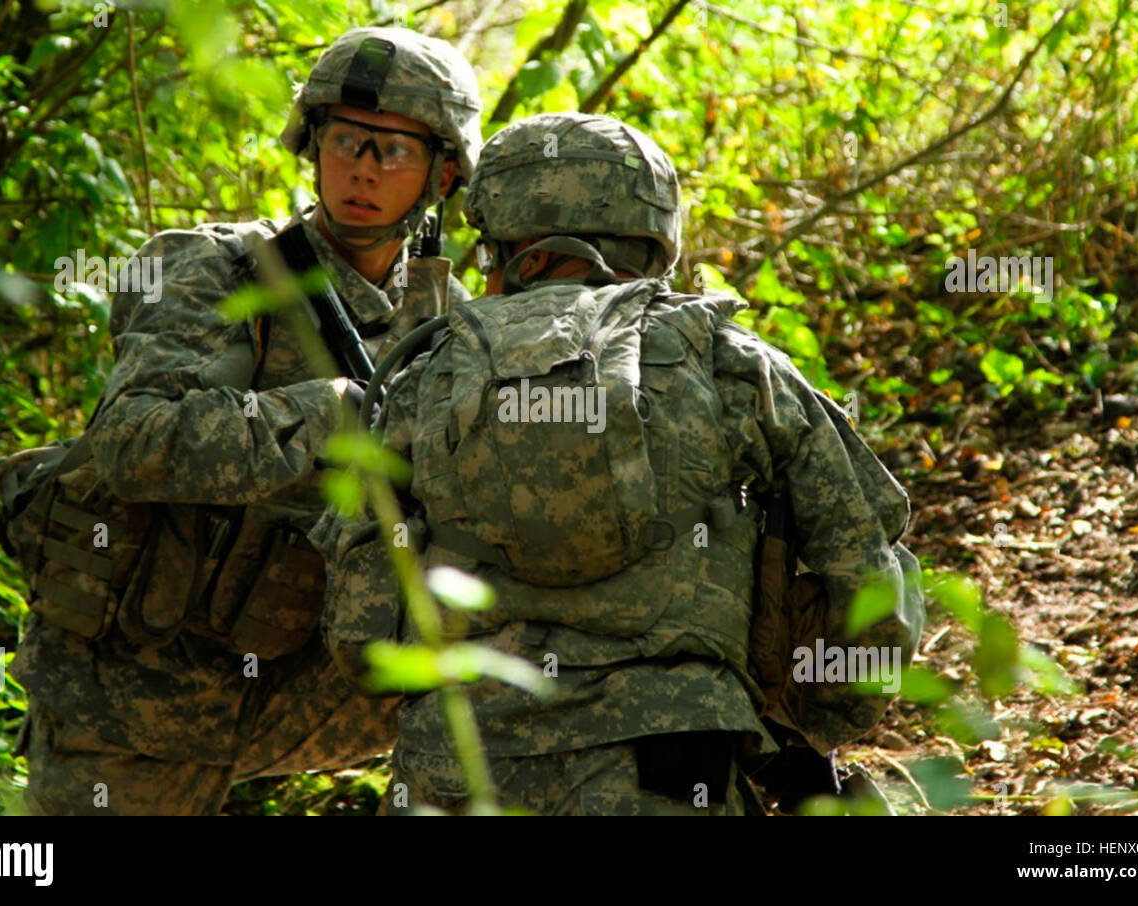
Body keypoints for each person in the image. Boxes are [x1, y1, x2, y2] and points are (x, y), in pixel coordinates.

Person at [320, 112, 924, 815]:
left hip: (454, 772)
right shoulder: (727, 362)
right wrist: (814, 727)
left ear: (507, 242)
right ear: (654, 234)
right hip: (673, 763)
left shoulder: (421, 379)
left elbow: (360, 631)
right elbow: (870, 578)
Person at [9, 26, 482, 815]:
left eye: (392, 151)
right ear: (313, 143)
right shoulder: (213, 268)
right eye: (344, 140)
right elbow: (134, 442)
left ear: (444, 175)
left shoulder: (447, 325)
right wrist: (322, 418)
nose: (362, 166)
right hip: (138, 689)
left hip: (302, 678)